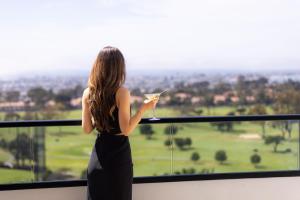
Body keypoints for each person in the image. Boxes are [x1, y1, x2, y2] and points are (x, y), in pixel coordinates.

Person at [81, 46, 157, 200]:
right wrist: (144, 108)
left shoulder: (88, 92)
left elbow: (87, 128)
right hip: (117, 159)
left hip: (97, 160)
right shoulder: (122, 92)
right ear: (119, 68)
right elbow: (126, 129)